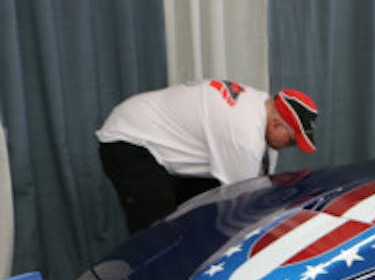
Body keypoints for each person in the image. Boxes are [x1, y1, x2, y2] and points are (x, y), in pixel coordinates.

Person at [96, 79, 318, 233]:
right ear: (277, 124)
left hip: (158, 140)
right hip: (129, 138)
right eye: (291, 141)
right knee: (157, 229)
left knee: (202, 206)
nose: (291, 147)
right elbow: (245, 204)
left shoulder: (262, 104)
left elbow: (262, 181)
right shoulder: (243, 134)